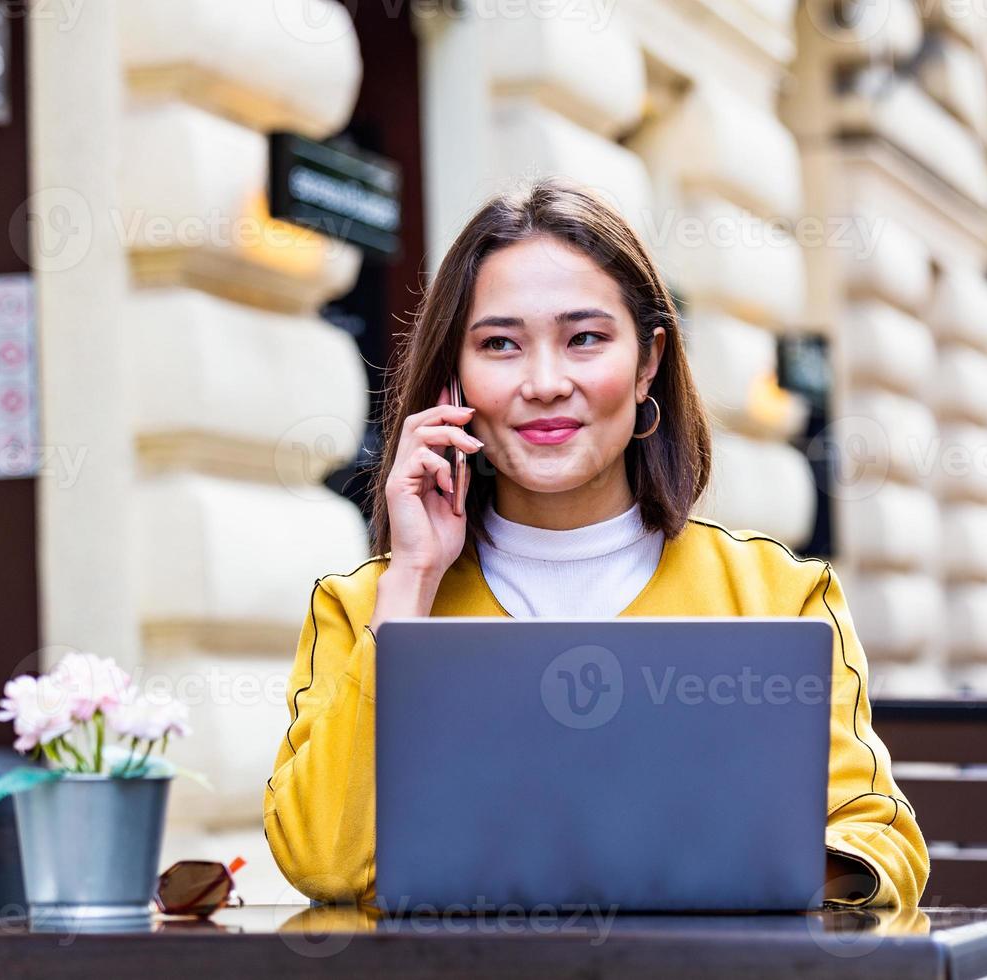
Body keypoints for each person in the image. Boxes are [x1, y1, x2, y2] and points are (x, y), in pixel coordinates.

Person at [262, 176, 929, 910]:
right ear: (455, 379)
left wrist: (744, 873)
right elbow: (321, 860)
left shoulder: (775, 595)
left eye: (584, 339)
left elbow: (880, 842)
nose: (545, 382)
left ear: (648, 362)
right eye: (500, 344)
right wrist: (413, 579)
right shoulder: (364, 609)